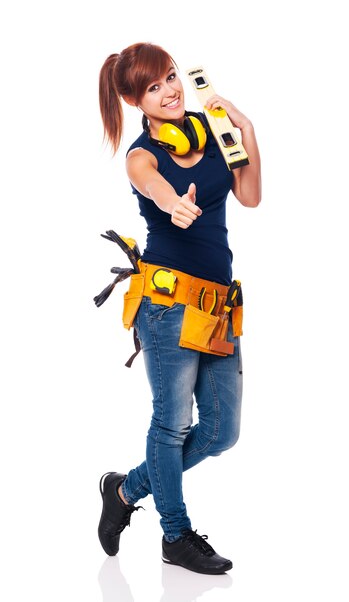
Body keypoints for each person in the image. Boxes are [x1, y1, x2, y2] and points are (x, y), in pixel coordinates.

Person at [97, 42, 261, 575]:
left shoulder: (212, 131)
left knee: (221, 432)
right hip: (167, 307)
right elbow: (151, 183)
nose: (169, 90)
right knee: (170, 426)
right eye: (153, 87)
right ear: (133, 100)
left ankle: (124, 490)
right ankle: (175, 535)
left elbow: (252, 196)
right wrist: (173, 203)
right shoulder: (142, 155)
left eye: (170, 77)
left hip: (217, 307)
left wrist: (248, 132)